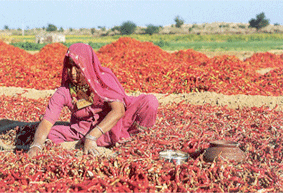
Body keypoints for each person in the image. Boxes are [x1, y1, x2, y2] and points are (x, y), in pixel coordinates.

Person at [27, 43, 159, 158]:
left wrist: (92, 137)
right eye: (69, 67)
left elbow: (118, 111)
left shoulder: (102, 80)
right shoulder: (65, 91)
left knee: (149, 102)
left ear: (87, 64)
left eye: (77, 67)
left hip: (115, 124)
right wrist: (36, 146)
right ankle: (109, 141)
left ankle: (130, 137)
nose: (72, 72)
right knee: (50, 134)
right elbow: (47, 121)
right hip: (83, 130)